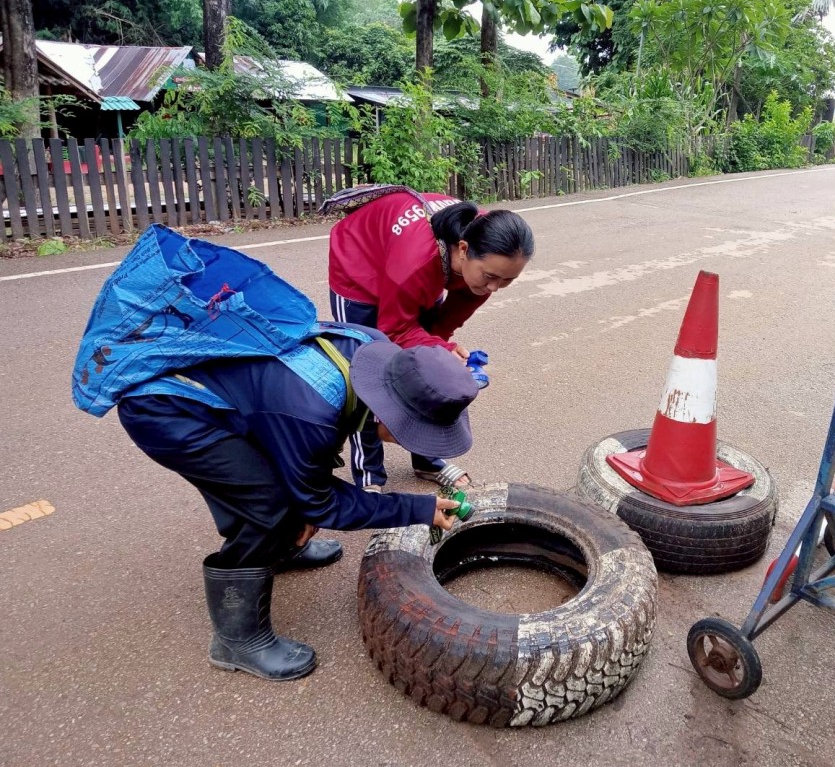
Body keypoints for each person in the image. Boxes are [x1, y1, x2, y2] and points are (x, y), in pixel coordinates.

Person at [116, 326, 480, 681]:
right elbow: (320, 499)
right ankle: (236, 641)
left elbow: (311, 449)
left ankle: (283, 548)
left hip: (239, 400)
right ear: (386, 413)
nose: (408, 442)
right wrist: (419, 508)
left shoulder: (372, 349)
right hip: (166, 408)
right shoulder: (310, 414)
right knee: (267, 508)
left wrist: (304, 502)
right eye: (412, 433)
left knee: (288, 498)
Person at [327, 187, 534, 492]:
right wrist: (441, 350)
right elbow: (396, 329)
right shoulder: (417, 264)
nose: (494, 288)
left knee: (431, 373)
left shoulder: (491, 253)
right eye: (490, 277)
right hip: (361, 268)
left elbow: (439, 331)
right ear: (463, 249)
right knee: (366, 376)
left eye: (507, 281)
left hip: (421, 266)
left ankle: (427, 459)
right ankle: (368, 475)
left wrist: (441, 351)